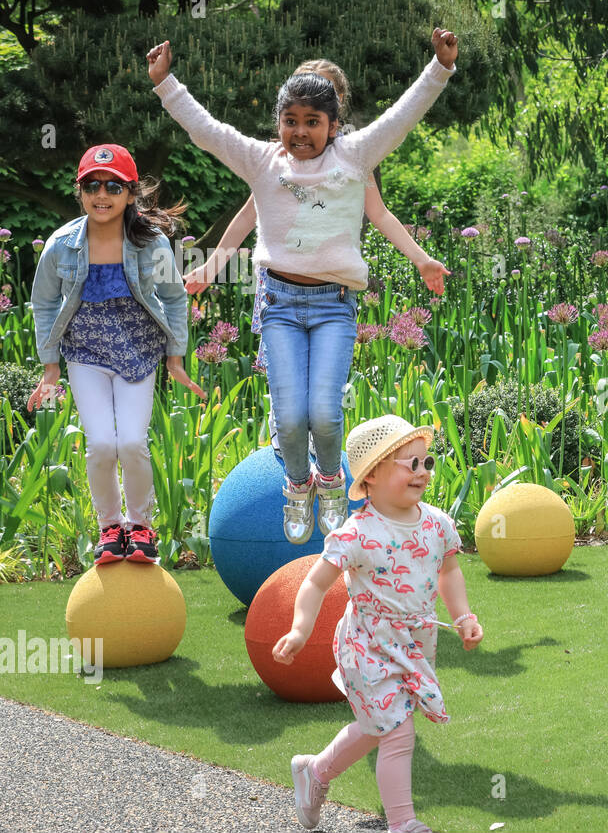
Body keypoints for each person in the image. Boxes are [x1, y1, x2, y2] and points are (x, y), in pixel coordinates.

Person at [147, 29, 457, 542]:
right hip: (280, 303)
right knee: (289, 418)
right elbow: (208, 131)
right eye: (290, 121)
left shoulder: (354, 157)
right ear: (278, 123)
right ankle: (297, 485)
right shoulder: (264, 163)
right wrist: (166, 84)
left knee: (325, 416)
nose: (300, 132)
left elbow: (403, 117)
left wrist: (440, 68)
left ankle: (332, 481)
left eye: (313, 122)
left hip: (334, 305)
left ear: (334, 126)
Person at [272, 415, 482, 833]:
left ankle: (315, 773)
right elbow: (315, 584)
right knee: (398, 733)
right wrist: (299, 629)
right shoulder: (357, 533)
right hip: (367, 643)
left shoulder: (437, 523)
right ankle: (402, 823)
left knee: (378, 726)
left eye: (427, 463)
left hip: (415, 643)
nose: (422, 473)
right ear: (371, 475)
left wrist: (463, 616)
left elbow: (449, 571)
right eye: (411, 464)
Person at [184, 58, 449, 378]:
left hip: (331, 293)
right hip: (280, 290)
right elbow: (246, 216)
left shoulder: (355, 161)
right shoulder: (277, 161)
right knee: (283, 383)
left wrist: (422, 259)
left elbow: (380, 214)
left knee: (323, 387)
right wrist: (211, 265)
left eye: (325, 92)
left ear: (336, 107)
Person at [28, 144, 204, 565]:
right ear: (80, 191)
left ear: (130, 193)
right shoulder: (61, 245)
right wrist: (51, 368)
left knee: (131, 443)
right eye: (92, 185)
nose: (101, 194)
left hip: (137, 354)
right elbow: (45, 303)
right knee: (102, 445)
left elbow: (175, 298)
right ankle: (110, 528)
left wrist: (174, 359)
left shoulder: (152, 242)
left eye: (112, 185)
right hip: (85, 354)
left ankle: (139, 526)